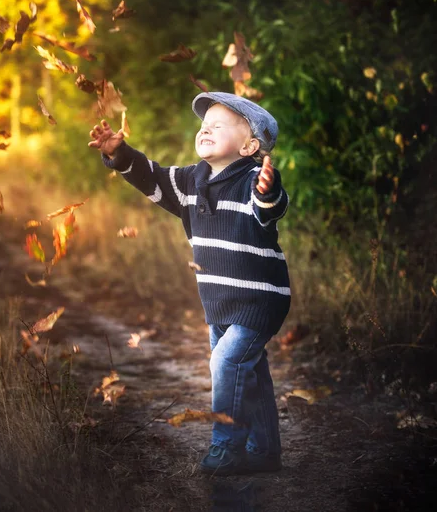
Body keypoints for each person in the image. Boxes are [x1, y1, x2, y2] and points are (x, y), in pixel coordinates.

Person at [88, 92, 291, 476]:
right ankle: (265, 450)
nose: (206, 129)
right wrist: (121, 154)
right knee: (250, 369)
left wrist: (268, 190)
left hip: (258, 299)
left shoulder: (252, 181)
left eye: (219, 126)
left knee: (227, 362)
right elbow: (155, 179)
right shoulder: (191, 180)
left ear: (249, 146)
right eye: (204, 125)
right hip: (218, 301)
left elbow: (271, 206)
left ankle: (226, 446)